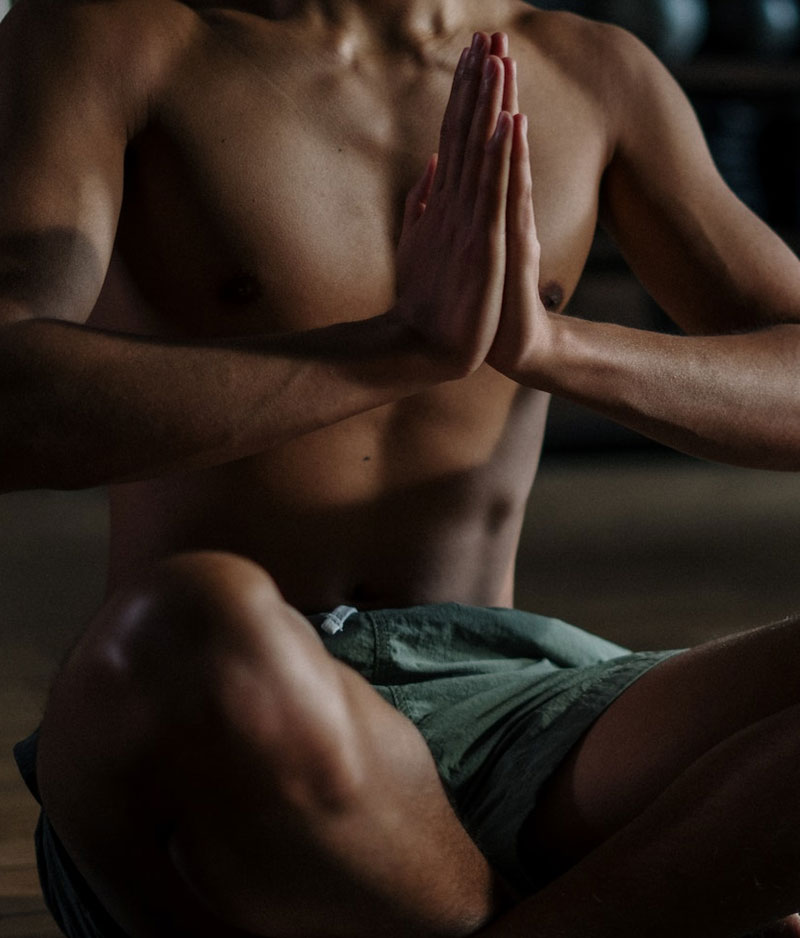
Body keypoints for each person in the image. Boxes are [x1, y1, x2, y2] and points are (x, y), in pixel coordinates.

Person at [3, 0, 800, 934]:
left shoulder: (594, 70)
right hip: (221, 720)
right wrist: (395, 350)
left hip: (523, 708)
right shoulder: (112, 36)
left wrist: (555, 349)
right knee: (188, 629)